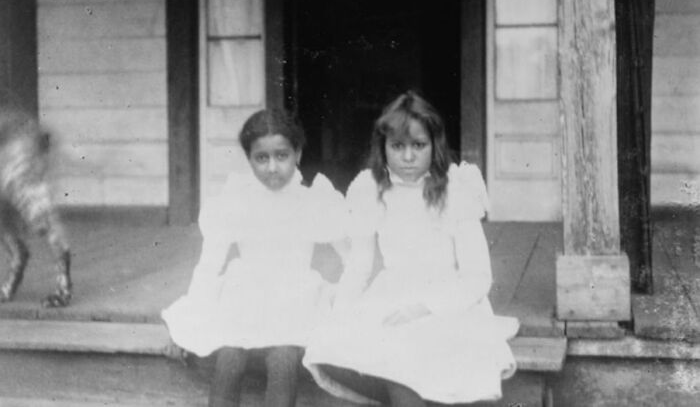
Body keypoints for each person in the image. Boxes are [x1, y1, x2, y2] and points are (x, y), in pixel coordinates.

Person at [303, 91, 519, 406]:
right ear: (383, 147)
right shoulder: (371, 190)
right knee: (353, 348)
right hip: (391, 294)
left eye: (418, 146)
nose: (407, 157)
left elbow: (477, 277)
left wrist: (423, 307)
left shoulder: (455, 191)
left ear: (435, 145)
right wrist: (341, 315)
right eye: (397, 146)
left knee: (414, 354)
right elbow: (360, 267)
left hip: (447, 301)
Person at [162, 108, 349, 407]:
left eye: (281, 156)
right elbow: (209, 267)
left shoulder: (314, 201)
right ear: (249, 159)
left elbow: (352, 260)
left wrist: (355, 310)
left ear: (297, 153)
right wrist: (190, 324)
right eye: (261, 158)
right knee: (230, 357)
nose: (272, 167)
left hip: (295, 299)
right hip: (245, 298)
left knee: (283, 357)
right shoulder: (235, 201)